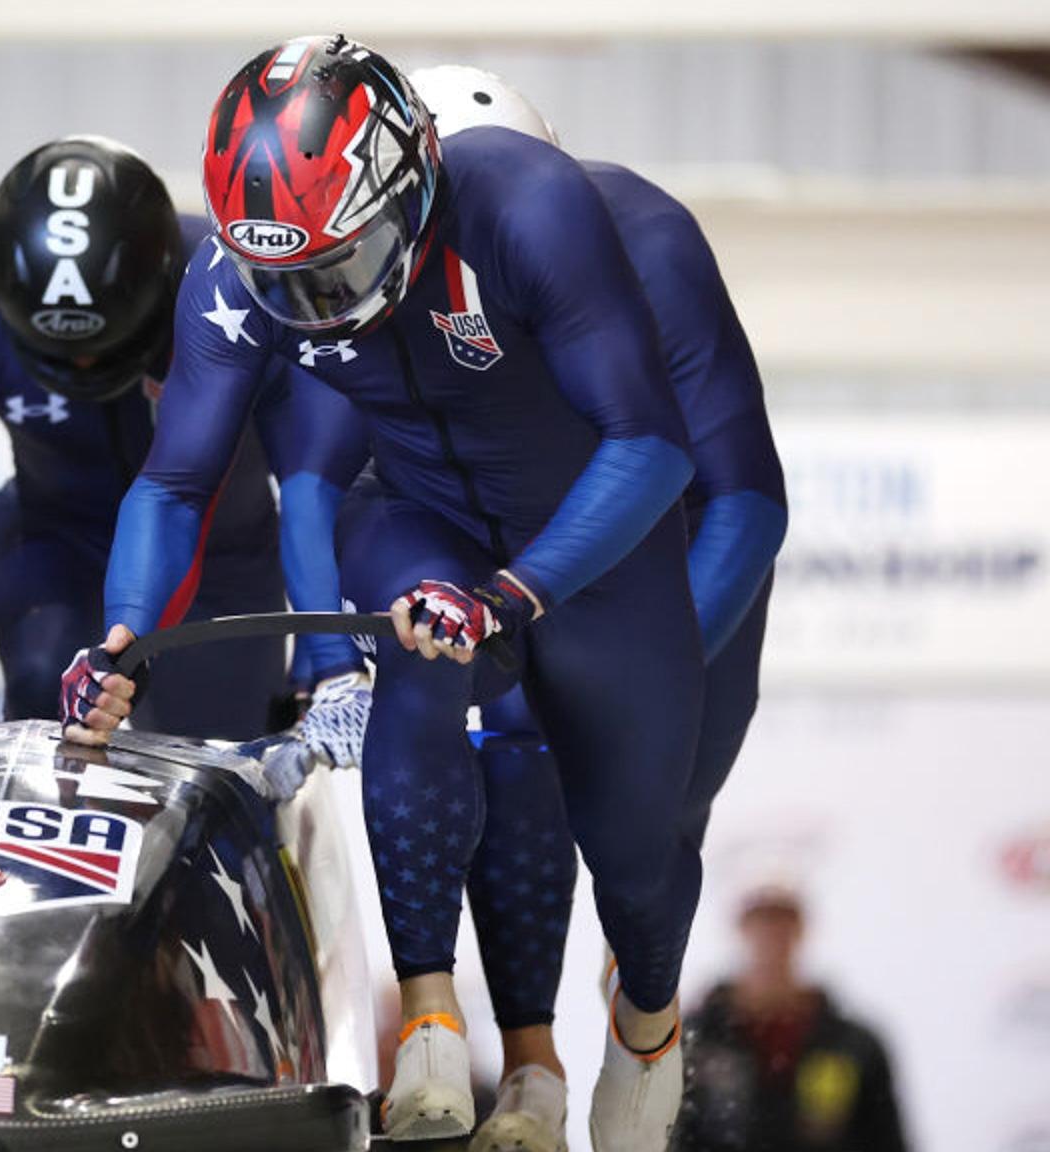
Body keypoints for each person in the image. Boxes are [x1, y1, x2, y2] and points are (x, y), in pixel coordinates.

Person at [62, 37, 704, 1148]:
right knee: (417, 640)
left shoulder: (529, 206)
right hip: (417, 513)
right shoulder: (233, 275)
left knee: (636, 857)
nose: (312, 305)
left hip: (587, 543)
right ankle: (428, 1018)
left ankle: (647, 1024)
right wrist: (120, 639)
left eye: (336, 267)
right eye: (284, 279)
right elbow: (173, 482)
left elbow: (648, 447)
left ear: (410, 190)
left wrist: (514, 593)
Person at [390, 65, 790, 1151]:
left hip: (666, 557)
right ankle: (528, 1066)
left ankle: (640, 1020)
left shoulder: (641, 243)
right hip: (530, 551)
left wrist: (612, 679)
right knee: (507, 762)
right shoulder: (397, 271)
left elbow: (743, 503)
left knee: (645, 818)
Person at [0, 135, 305, 739]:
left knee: (227, 754)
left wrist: (331, 660)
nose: (85, 367)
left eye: (104, 349)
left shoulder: (236, 282)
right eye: (62, 355)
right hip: (56, 548)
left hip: (223, 557)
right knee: (45, 698)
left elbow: (318, 471)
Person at [677, 882, 911, 1152]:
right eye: (762, 920)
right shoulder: (694, 1041)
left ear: (800, 928)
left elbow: (887, 1140)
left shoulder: (853, 1046)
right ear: (742, 927)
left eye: (783, 920)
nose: (772, 936)